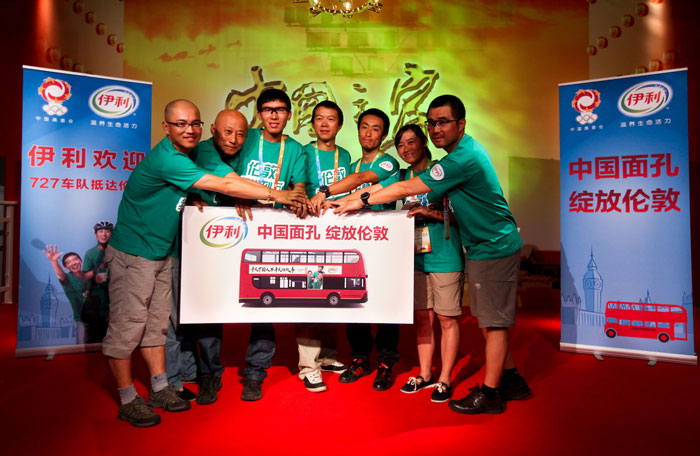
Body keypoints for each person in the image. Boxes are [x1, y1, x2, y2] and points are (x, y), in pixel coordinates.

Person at [102, 99, 306, 427]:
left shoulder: (192, 154)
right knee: (127, 330)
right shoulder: (169, 158)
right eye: (181, 124)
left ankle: (160, 388)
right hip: (134, 254)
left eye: (194, 123)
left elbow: (221, 180)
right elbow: (224, 183)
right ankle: (127, 399)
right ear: (166, 127)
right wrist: (276, 195)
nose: (189, 130)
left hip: (161, 253)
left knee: (156, 327)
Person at [331, 95, 531, 414]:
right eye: (431, 123)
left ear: (461, 124)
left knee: (493, 324)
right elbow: (394, 187)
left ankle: (491, 393)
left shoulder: (460, 159)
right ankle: (512, 380)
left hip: (494, 245)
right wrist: (351, 199)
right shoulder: (457, 155)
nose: (436, 129)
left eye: (443, 122)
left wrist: (359, 200)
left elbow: (405, 190)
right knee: (487, 321)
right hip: (479, 246)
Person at [337, 124, 464, 402]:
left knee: (446, 319)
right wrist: (337, 201)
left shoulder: (443, 170)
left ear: (424, 142)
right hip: (412, 257)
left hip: (445, 255)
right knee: (423, 319)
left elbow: (465, 215)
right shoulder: (402, 176)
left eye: (411, 142)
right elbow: (370, 192)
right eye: (401, 145)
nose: (406, 149)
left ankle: (445, 379)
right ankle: (426, 374)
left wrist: (430, 212)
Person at [165, 109, 249, 406]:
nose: (234, 139)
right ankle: (183, 374)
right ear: (213, 130)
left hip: (220, 252)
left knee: (209, 315)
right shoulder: (199, 151)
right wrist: (190, 195)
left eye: (241, 134)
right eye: (228, 132)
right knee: (178, 316)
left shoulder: (248, 156)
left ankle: (209, 372)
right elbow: (228, 183)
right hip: (182, 248)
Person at [316, 108, 401, 391]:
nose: (368, 133)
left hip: (382, 246)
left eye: (375, 129)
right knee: (353, 301)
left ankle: (386, 362)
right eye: (364, 127)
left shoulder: (388, 163)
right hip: (353, 247)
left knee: (384, 305)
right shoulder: (350, 165)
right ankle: (360, 358)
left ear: (384, 135)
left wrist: (326, 195)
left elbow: (362, 182)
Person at [234, 88, 308, 401]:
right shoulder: (244, 138)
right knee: (213, 297)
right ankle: (204, 371)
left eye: (280, 109)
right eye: (267, 109)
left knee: (262, 298)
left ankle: (255, 372)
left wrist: (299, 200)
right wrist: (235, 194)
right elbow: (221, 173)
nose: (274, 115)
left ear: (289, 115)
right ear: (259, 114)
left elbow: (299, 187)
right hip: (236, 225)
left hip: (269, 231)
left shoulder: (295, 149)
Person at [295, 100, 351, 393]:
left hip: (336, 235)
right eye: (319, 118)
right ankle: (308, 366)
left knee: (332, 293)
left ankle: (327, 356)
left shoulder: (346, 155)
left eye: (331, 119)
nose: (325, 124)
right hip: (309, 234)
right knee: (309, 297)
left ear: (339, 125)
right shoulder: (303, 152)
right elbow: (295, 187)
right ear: (312, 123)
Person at [43, 246, 92, 343]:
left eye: (75, 259)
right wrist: (54, 261)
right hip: (82, 321)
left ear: (81, 260)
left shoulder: (89, 275)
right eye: (69, 262)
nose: (73, 263)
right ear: (66, 267)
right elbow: (60, 274)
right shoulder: (68, 279)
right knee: (83, 348)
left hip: (101, 318)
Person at [81, 220, 114, 341]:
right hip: (97, 301)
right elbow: (84, 276)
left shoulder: (117, 252)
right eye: (100, 231)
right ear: (96, 235)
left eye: (107, 231)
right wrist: (94, 273)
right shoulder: (90, 253)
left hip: (115, 298)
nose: (104, 234)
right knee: (95, 336)